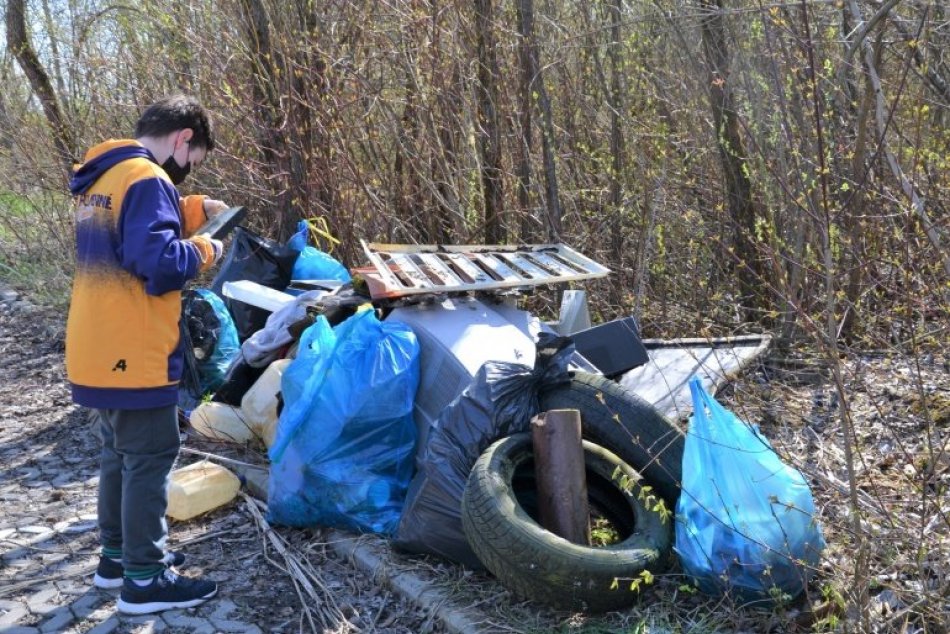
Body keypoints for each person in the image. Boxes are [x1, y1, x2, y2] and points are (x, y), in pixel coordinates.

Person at [65, 94, 227, 615]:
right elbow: (157, 263)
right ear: (183, 139)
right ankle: (145, 579)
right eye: (194, 160)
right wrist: (206, 249)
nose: (187, 171)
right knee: (151, 460)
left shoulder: (106, 175)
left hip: (96, 348)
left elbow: (133, 231)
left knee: (119, 456)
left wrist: (195, 211)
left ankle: (115, 562)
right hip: (134, 353)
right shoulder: (148, 178)